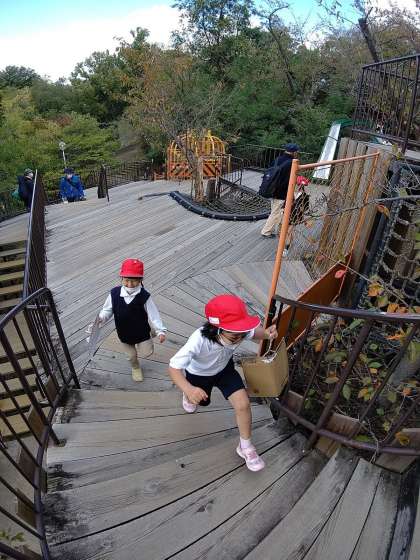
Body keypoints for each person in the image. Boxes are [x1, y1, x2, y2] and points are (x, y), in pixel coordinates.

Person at [168, 294, 277, 472]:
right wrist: (189, 389)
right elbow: (174, 367)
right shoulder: (198, 341)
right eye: (234, 337)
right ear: (217, 329)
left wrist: (265, 334)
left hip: (225, 370)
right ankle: (187, 397)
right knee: (200, 401)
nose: (240, 339)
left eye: (242, 334)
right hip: (199, 375)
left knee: (243, 404)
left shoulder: (237, 331)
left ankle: (245, 446)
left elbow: (252, 332)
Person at [98, 259, 167, 381]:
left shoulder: (144, 296)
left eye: (134, 281)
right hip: (124, 333)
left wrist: (160, 330)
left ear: (140, 280)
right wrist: (101, 318)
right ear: (122, 278)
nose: (129, 284)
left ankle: (152, 331)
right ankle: (135, 367)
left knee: (147, 352)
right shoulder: (114, 294)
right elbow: (107, 310)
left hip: (141, 331)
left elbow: (154, 314)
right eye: (126, 280)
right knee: (131, 356)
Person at [260, 143, 300, 246]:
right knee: (276, 212)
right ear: (294, 152)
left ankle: (276, 230)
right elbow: (288, 180)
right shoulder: (292, 163)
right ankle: (266, 232)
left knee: (276, 210)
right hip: (281, 192)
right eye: (297, 152)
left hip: (272, 189)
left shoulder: (278, 159)